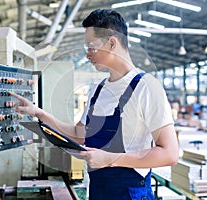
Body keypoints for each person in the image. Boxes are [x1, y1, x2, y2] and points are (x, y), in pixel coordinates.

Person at [10, 9, 179, 200]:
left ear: (112, 43)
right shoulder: (97, 90)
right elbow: (79, 135)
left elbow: (170, 153)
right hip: (98, 192)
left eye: (91, 47)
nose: (88, 55)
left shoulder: (146, 87)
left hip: (131, 194)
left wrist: (111, 159)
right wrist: (39, 114)